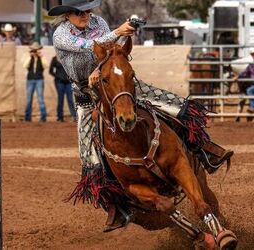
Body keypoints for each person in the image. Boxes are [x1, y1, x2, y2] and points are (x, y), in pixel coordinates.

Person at [48, 0, 233, 232]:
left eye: (87, 10)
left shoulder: (99, 21)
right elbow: (85, 46)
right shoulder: (61, 34)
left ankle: (204, 149)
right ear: (66, 15)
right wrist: (118, 31)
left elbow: (108, 53)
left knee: (173, 104)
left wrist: (103, 62)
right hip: (86, 95)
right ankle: (117, 206)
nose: (85, 15)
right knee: (90, 156)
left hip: (114, 82)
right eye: (78, 12)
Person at [23, 42, 48, 122]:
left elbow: (46, 66)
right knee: (29, 99)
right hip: (30, 79)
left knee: (40, 98)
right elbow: (25, 66)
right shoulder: (29, 57)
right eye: (34, 50)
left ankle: (43, 117)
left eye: (36, 50)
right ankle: (27, 117)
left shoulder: (42, 58)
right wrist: (30, 57)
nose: (35, 51)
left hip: (39, 79)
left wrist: (41, 56)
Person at [49, 55, 77, 122]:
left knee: (70, 99)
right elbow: (50, 71)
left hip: (68, 82)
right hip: (59, 82)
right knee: (60, 99)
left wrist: (71, 77)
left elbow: (73, 69)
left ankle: (74, 116)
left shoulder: (69, 57)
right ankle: (60, 117)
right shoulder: (55, 58)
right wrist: (57, 76)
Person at [235, 48, 254, 113]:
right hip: (252, 84)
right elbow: (244, 72)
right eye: (252, 55)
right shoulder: (251, 65)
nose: (253, 56)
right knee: (248, 89)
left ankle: (252, 107)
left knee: (249, 90)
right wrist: (238, 76)